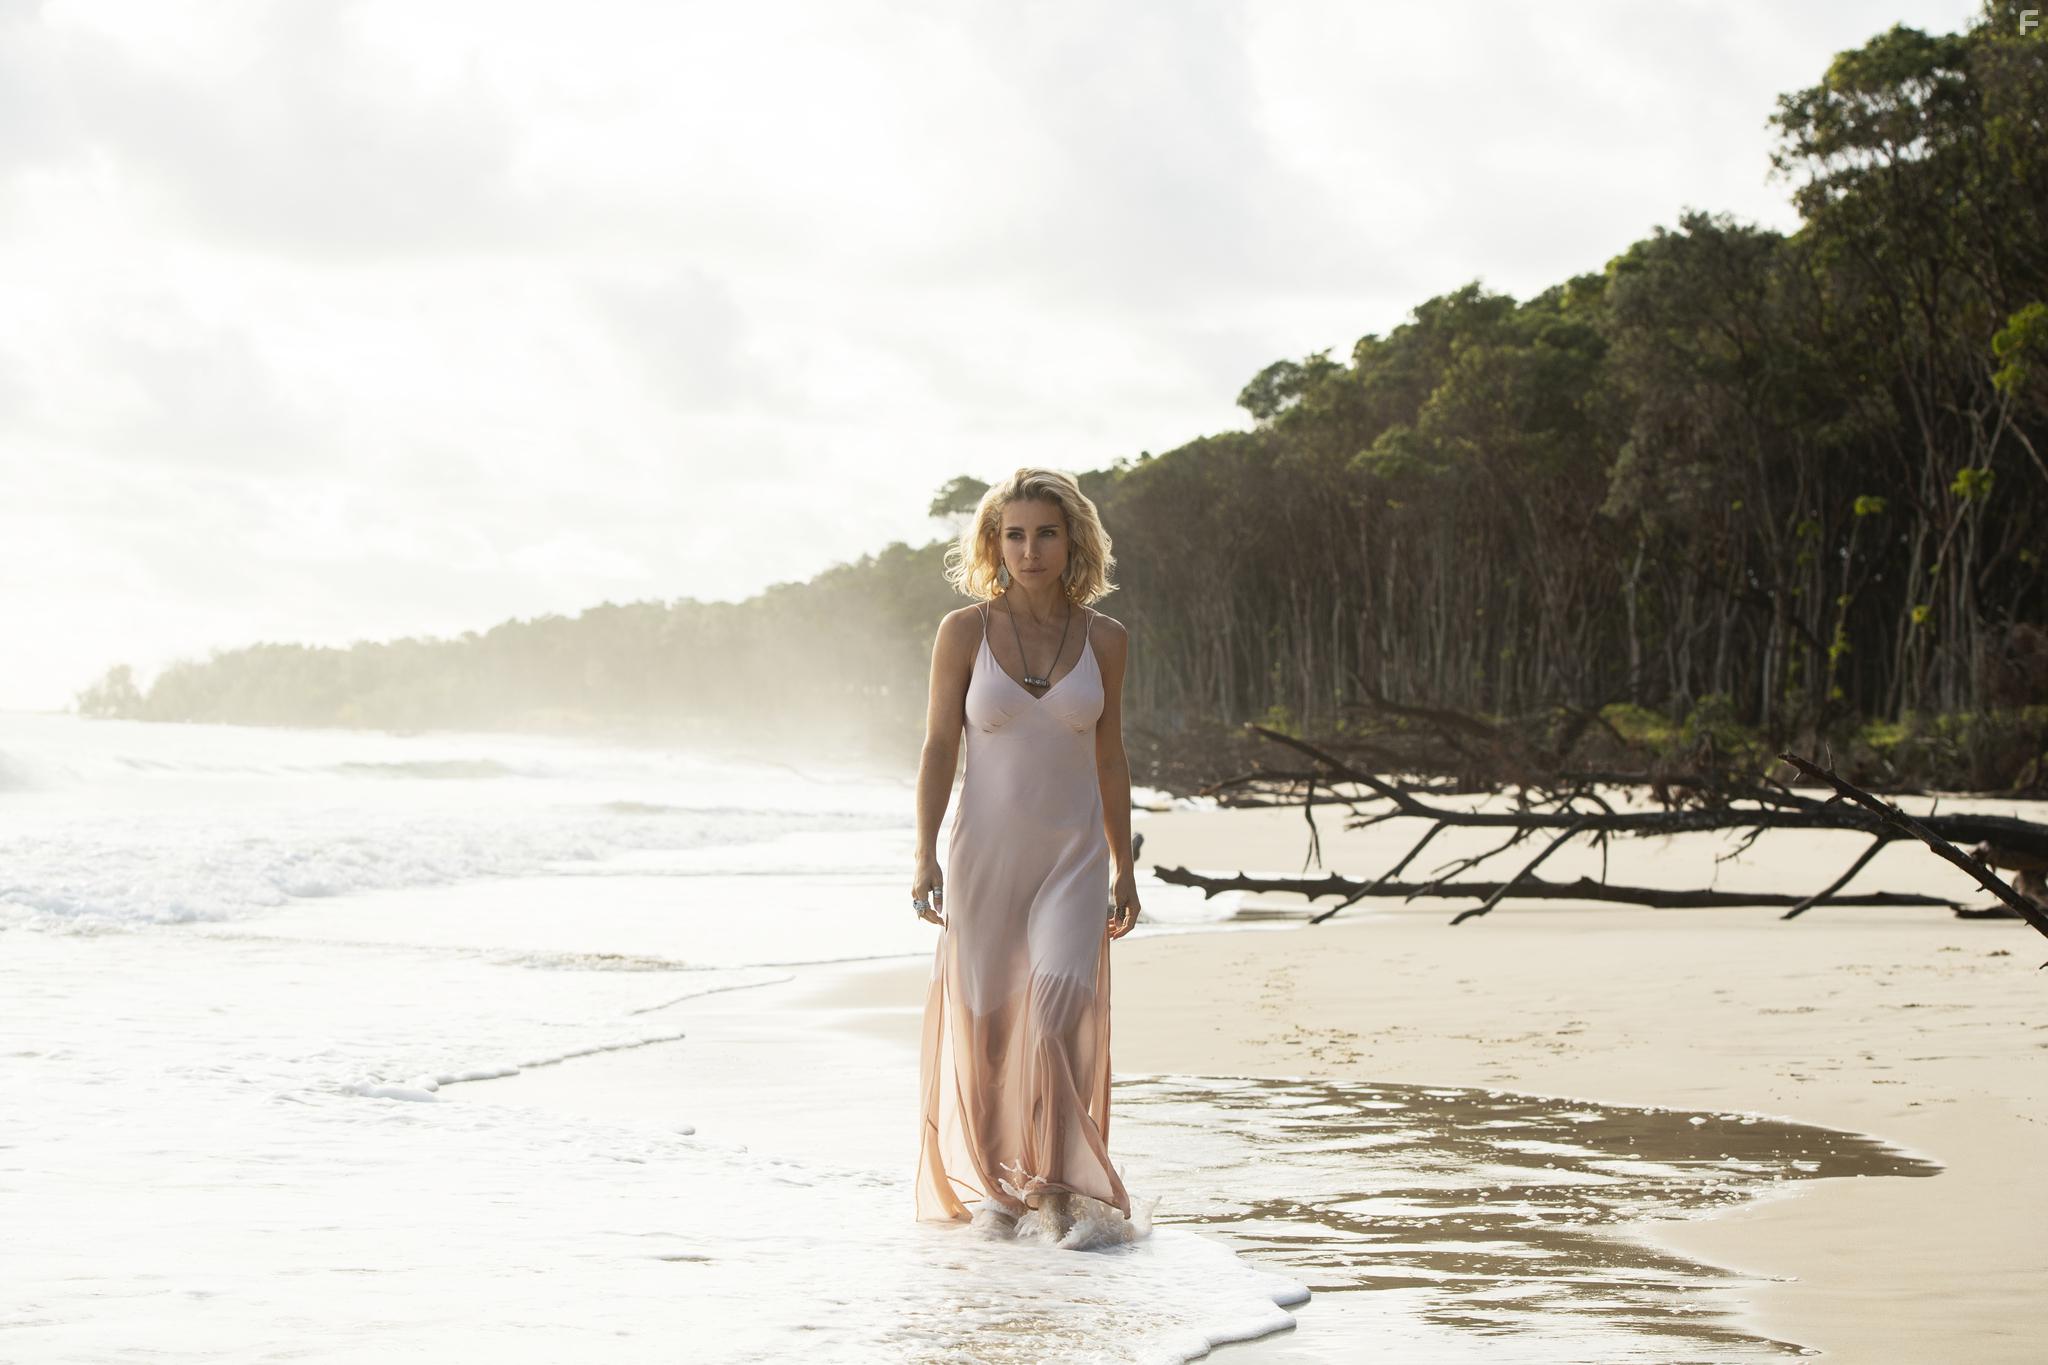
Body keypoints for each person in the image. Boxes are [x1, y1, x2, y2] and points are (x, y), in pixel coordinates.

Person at [910, 468, 1142, 1245]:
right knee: (988, 1032)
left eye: (1045, 532)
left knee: (1053, 1018)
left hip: (1074, 859)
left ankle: (1061, 1187)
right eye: (1013, 533)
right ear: (992, 542)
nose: (1029, 548)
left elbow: (1111, 758)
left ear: (1072, 539)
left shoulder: (1105, 639)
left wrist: (1125, 864)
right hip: (984, 858)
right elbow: (940, 745)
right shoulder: (963, 632)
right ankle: (1001, 1193)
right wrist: (923, 853)